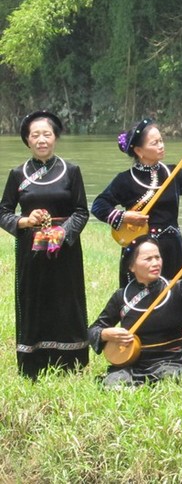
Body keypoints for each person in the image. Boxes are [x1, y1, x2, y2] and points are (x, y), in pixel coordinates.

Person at [0, 111, 89, 379]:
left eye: (47, 134)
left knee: (67, 299)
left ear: (56, 138)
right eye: (35, 135)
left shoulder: (71, 171)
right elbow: (3, 211)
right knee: (33, 299)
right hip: (31, 251)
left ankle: (71, 362)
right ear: (27, 140)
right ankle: (32, 364)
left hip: (66, 250)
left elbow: (82, 211)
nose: (41, 140)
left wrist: (62, 232)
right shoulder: (18, 174)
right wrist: (25, 221)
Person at [92, 117, 182, 286]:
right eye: (155, 143)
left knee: (175, 296)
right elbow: (99, 205)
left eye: (161, 140)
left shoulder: (174, 173)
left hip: (172, 248)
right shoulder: (125, 180)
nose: (161, 145)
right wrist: (124, 217)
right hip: (141, 251)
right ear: (139, 150)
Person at [88, 235, 182, 388]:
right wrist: (106, 334)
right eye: (148, 259)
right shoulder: (121, 296)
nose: (155, 263)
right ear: (132, 266)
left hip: (170, 361)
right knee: (113, 383)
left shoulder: (177, 288)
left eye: (157, 257)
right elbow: (93, 329)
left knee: (168, 380)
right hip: (133, 362)